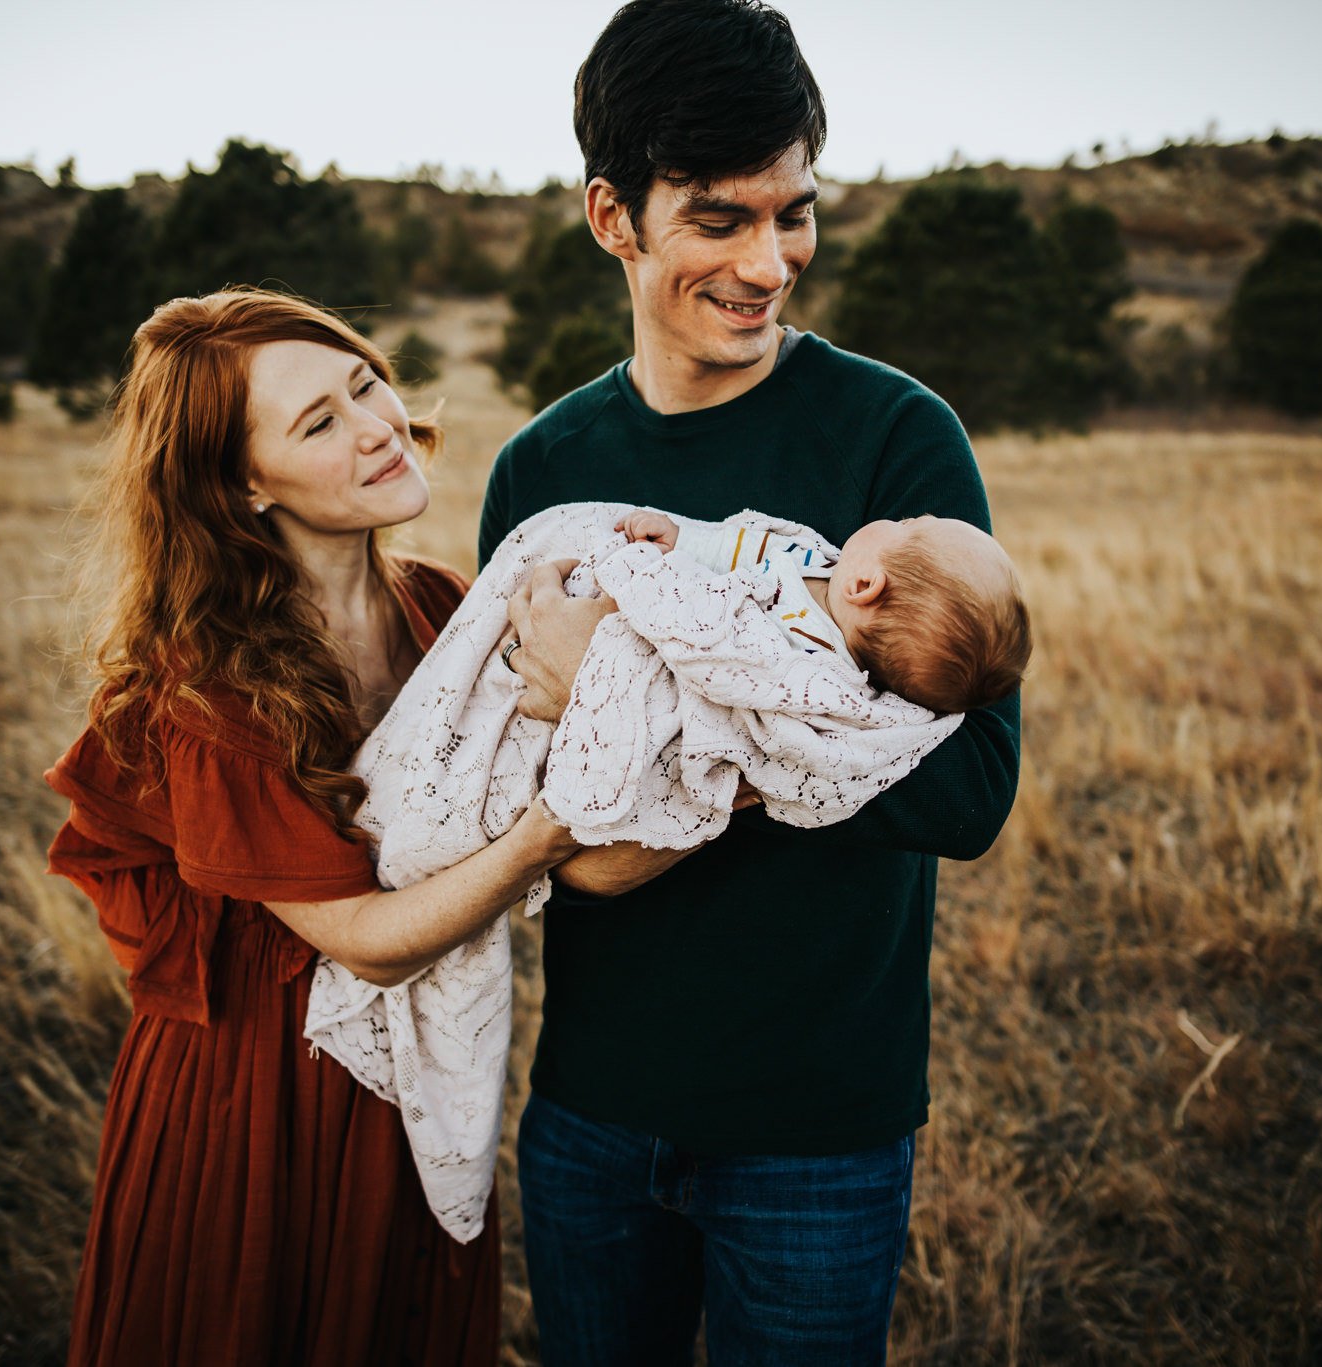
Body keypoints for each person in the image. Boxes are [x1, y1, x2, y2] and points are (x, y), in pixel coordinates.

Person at [485, 1, 1023, 1361]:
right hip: (594, 1103)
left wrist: (671, 730)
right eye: (721, 219)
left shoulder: (897, 439)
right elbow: (520, 789)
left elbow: (967, 785)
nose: (771, 261)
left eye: (796, 214)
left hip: (818, 1124)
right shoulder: (540, 473)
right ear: (614, 217)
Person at [41, 288, 645, 1367]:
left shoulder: (443, 610)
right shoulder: (211, 681)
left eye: (365, 381)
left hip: (423, 1078)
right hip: (254, 1095)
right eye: (316, 421)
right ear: (240, 484)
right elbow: (364, 939)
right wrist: (545, 832)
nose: (374, 423)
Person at [615, 506, 1031, 714]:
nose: (896, 519)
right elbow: (743, 548)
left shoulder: (809, 663)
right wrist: (682, 540)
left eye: (905, 526)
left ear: (864, 586)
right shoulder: (819, 563)